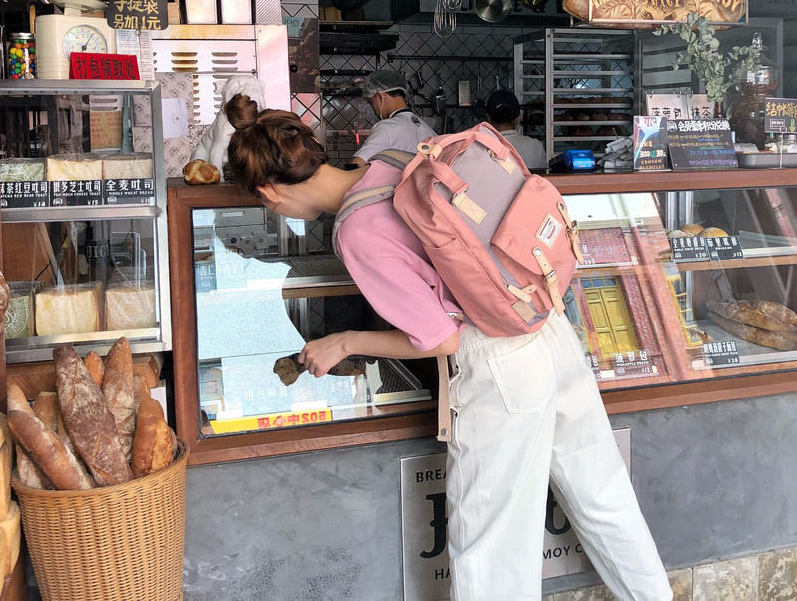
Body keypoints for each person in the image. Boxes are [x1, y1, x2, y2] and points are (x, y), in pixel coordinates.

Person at [226, 95, 672, 601]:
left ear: (268, 191)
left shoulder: (356, 230)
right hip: (543, 324)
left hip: (497, 360)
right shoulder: (387, 161)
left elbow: (442, 338)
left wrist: (344, 341)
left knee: (489, 551)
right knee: (604, 493)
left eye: (262, 202)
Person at [349, 69, 437, 167]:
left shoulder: (386, 128)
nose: (373, 108)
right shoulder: (429, 130)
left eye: (371, 102)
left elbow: (356, 166)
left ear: (380, 96)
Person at [485, 89, 547, 170]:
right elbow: (543, 179)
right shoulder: (536, 146)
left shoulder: (479, 148)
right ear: (517, 118)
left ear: (488, 117)